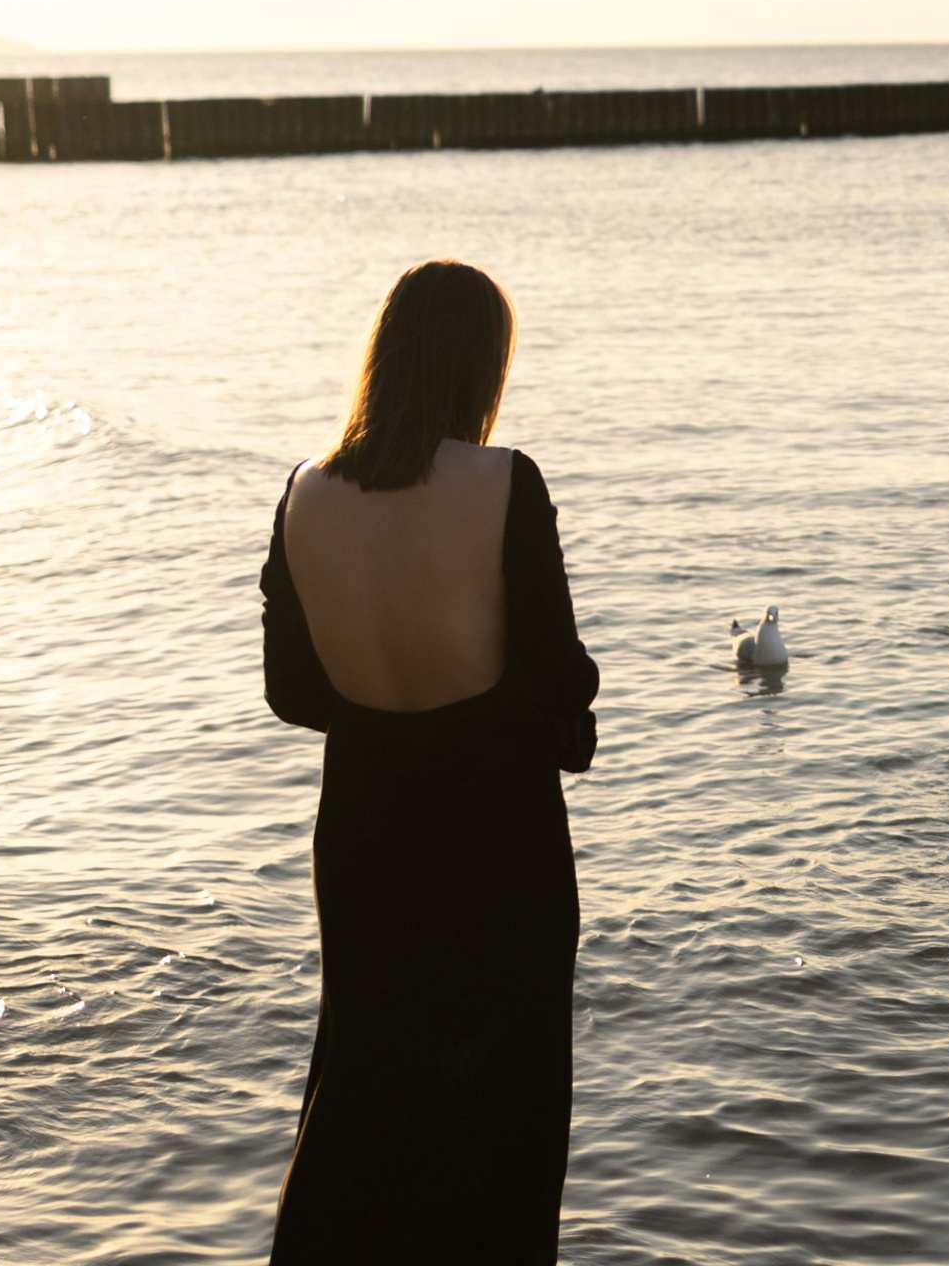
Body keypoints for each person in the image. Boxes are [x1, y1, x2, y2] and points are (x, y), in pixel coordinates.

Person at [260, 260, 598, 1263]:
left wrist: (388, 704)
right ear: (478, 366)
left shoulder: (303, 492)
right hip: (498, 833)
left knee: (364, 1089)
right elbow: (557, 681)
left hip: (363, 828)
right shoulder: (503, 482)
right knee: (503, 1116)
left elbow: (291, 691)